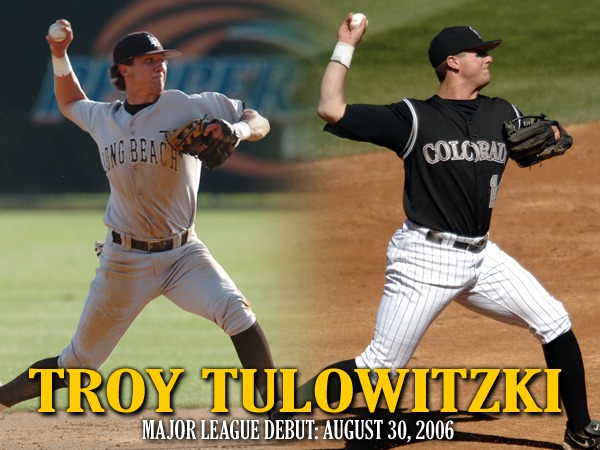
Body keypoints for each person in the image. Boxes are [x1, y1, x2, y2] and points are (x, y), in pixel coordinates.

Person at [296, 13, 599, 449]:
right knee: (379, 365)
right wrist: (346, 46)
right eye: (480, 53)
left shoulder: (503, 112)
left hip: (482, 257)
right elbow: (331, 108)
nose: (488, 59)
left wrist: (553, 131)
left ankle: (579, 431)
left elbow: (531, 146)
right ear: (453, 62)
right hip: (424, 258)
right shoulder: (413, 118)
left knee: (554, 320)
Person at [0, 20, 280, 418]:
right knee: (78, 365)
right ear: (124, 70)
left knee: (237, 313)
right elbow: (68, 101)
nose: (159, 66)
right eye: (149, 61)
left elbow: (258, 119)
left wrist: (236, 127)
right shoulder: (104, 119)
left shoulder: (188, 105)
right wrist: (59, 55)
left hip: (185, 254)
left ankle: (276, 414)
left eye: (161, 60)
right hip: (124, 261)